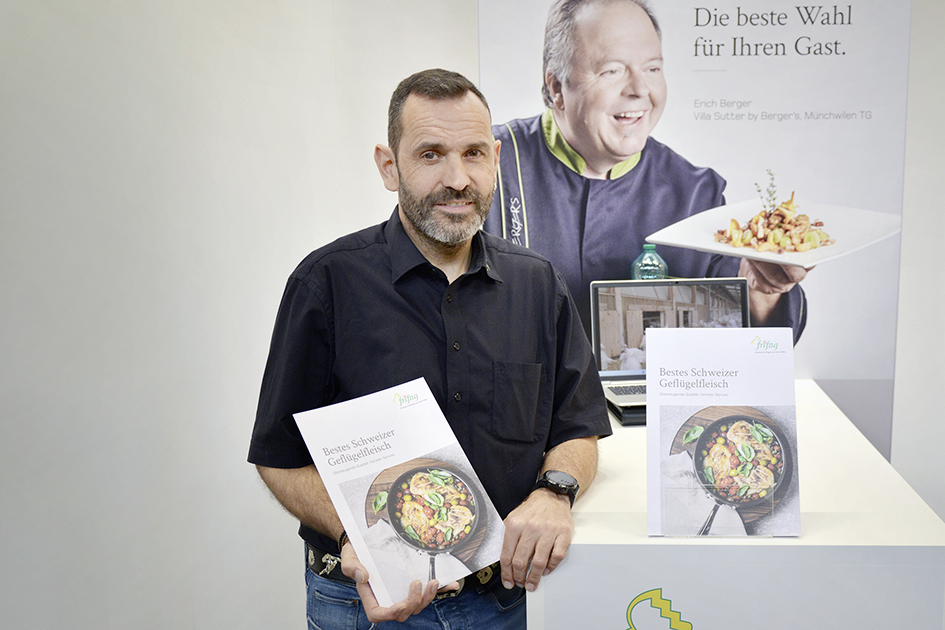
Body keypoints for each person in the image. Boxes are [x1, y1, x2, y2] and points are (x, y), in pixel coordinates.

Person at [248, 68, 611, 629]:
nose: (458, 179)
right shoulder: (326, 285)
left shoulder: (539, 285)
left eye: (473, 154)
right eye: (430, 155)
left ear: (495, 159)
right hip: (368, 603)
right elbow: (278, 458)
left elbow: (578, 428)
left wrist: (553, 493)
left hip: (506, 600)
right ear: (389, 166)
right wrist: (354, 537)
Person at [484, 0, 808, 343]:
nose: (640, 89)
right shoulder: (486, 167)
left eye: (652, 68)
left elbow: (751, 338)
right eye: (612, 71)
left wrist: (763, 289)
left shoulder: (695, 195)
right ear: (557, 88)